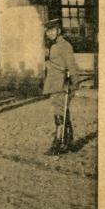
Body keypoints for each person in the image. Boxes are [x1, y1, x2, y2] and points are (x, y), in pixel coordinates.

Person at [43, 18, 80, 155]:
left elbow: (72, 66)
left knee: (60, 113)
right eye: (48, 30)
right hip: (54, 83)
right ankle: (68, 141)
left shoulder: (64, 45)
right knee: (61, 113)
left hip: (62, 84)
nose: (50, 33)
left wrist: (74, 84)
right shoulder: (54, 46)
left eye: (52, 30)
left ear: (58, 30)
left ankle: (58, 143)